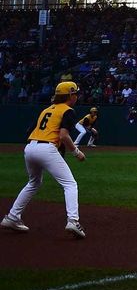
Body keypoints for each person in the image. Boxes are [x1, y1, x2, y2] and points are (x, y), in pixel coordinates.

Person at [2, 81, 87, 238]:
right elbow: (63, 135)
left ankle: (12, 217)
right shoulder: (68, 110)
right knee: (70, 184)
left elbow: (31, 130)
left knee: (34, 182)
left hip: (30, 148)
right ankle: (73, 221)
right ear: (70, 95)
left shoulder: (47, 109)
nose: (77, 96)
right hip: (46, 148)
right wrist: (76, 152)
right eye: (75, 93)